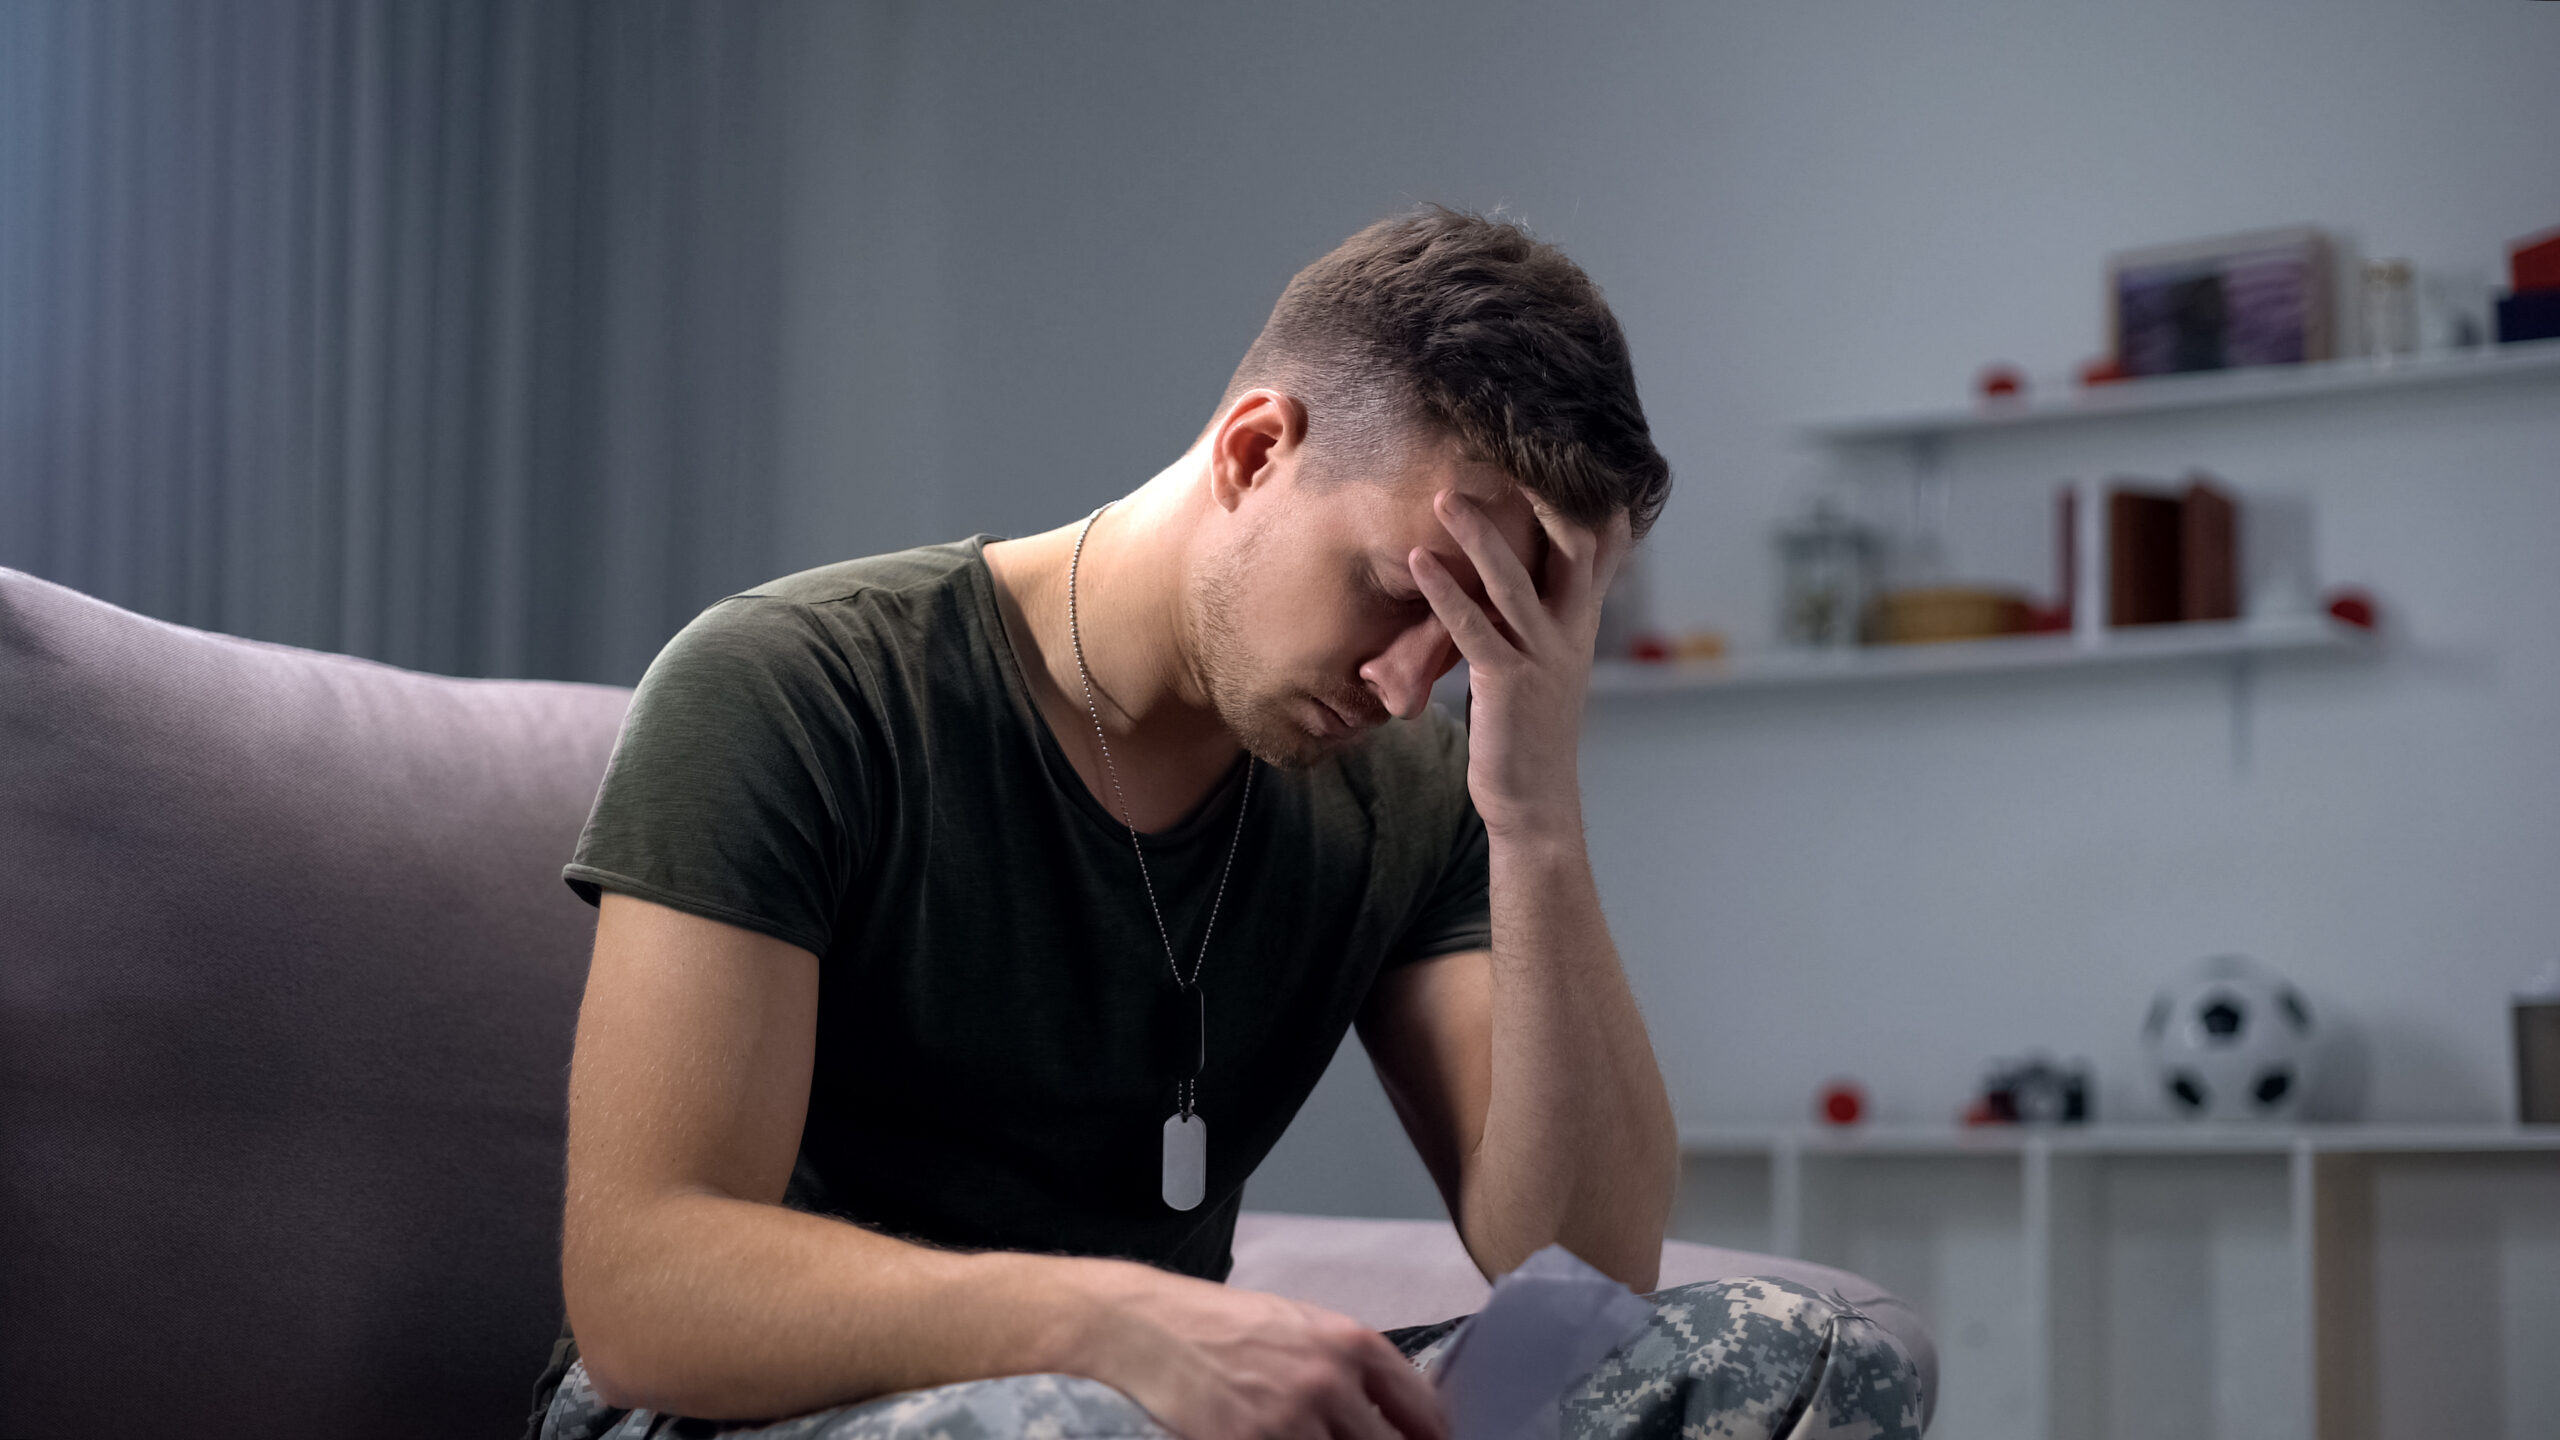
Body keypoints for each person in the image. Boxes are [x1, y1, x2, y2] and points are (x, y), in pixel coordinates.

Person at [526, 206, 1922, 1440]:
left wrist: (1535, 817)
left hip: (1151, 1406)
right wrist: (1120, 1326)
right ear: (1257, 450)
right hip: (746, 1413)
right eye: (1401, 590)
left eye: (1478, 634)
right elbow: (647, 1292)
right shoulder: (796, 687)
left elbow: (1581, 1281)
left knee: (1805, 1360)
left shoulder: (1414, 790)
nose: (1406, 681)